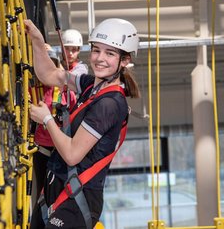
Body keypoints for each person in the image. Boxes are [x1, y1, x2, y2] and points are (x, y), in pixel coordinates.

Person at [24, 18, 140, 229]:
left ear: (124, 61)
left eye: (110, 53)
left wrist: (47, 119)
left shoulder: (109, 104)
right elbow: (49, 74)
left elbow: (72, 154)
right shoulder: (91, 87)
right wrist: (37, 41)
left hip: (76, 199)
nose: (100, 59)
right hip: (58, 190)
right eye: (96, 50)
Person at [31, 43, 77, 214]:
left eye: (51, 64)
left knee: (60, 188)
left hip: (61, 148)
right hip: (41, 148)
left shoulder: (66, 91)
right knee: (42, 190)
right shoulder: (33, 89)